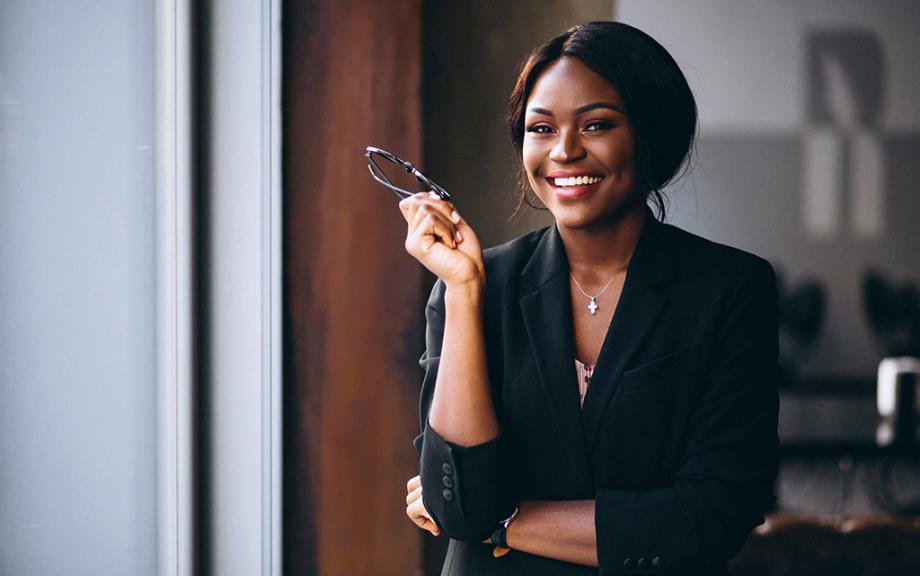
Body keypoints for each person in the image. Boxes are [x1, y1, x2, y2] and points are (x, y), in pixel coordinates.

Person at [401, 21, 778, 575]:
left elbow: (713, 515)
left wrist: (499, 521)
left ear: (651, 133)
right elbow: (455, 498)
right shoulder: (477, 287)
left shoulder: (730, 289)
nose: (565, 151)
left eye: (596, 124)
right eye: (542, 128)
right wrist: (463, 290)